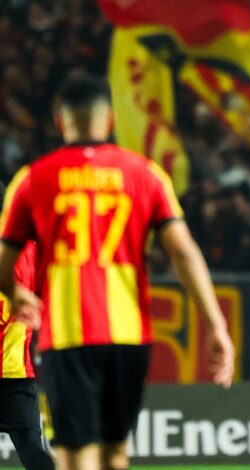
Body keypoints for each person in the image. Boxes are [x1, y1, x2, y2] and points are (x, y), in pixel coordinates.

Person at [0, 74, 235, 470]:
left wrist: (17, 292)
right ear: (110, 119)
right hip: (127, 334)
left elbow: (5, 262)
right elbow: (184, 252)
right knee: (115, 454)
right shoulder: (144, 173)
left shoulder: (33, 180)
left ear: (59, 121)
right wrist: (216, 325)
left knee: (76, 456)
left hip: (69, 335)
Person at [0, 242, 54, 470]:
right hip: (17, 375)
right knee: (32, 450)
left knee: (33, 451)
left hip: (16, 376)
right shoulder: (28, 251)